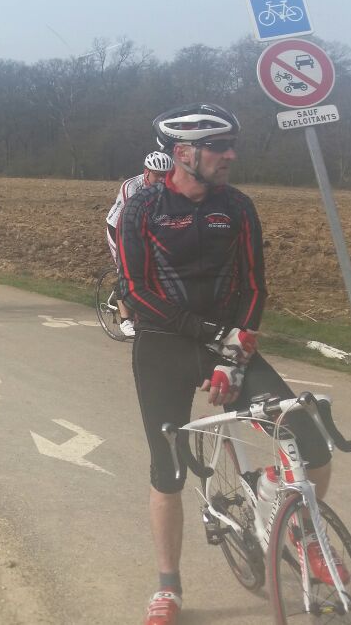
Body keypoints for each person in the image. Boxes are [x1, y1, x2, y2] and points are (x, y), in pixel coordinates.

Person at [118, 104, 335, 625]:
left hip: (230, 341)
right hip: (164, 345)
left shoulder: (237, 206)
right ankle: (168, 587)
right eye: (219, 146)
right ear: (184, 153)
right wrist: (215, 337)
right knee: (166, 469)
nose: (231, 154)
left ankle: (291, 521)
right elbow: (136, 289)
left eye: (231, 144)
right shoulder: (143, 208)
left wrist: (233, 353)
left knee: (308, 439)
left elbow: (256, 283)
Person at [105, 151, 174, 336]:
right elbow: (131, 219)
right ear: (146, 172)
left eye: (165, 175)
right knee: (126, 270)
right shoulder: (131, 187)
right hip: (119, 228)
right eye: (158, 175)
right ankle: (125, 320)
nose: (162, 179)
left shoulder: (170, 186)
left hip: (146, 227)